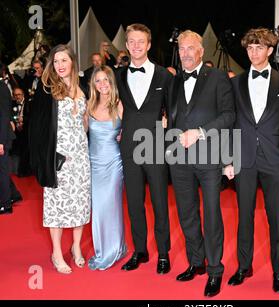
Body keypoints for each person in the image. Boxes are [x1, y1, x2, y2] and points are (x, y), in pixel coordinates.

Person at [224, 27, 279, 293]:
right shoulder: (235, 82)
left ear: (270, 50)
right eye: (250, 48)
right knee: (244, 216)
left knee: (276, 218)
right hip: (244, 159)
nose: (254, 53)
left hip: (274, 160)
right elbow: (230, 124)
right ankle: (244, 266)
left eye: (259, 48)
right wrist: (228, 159)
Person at [167, 30, 235, 297]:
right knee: (187, 214)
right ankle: (196, 262)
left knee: (212, 215)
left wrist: (201, 132)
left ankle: (215, 269)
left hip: (209, 157)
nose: (185, 53)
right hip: (179, 159)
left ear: (201, 51)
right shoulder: (173, 80)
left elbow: (229, 115)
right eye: (182, 48)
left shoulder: (218, 77)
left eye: (190, 48)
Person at [29, 44, 91, 274]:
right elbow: (36, 127)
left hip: (81, 157)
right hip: (58, 159)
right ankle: (56, 252)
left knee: (80, 205)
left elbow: (85, 122)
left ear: (72, 62)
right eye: (56, 62)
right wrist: (45, 157)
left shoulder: (82, 87)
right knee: (56, 207)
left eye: (64, 60)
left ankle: (76, 247)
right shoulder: (47, 90)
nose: (60, 65)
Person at [116, 23, 172, 274]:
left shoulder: (164, 75)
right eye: (132, 41)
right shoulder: (118, 75)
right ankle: (140, 250)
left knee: (160, 202)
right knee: (134, 202)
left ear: (149, 45)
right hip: (128, 144)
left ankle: (163, 253)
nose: (136, 46)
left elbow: (173, 112)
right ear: (126, 45)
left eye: (141, 41)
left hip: (155, 145)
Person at [87, 66, 127, 270]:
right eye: (98, 81)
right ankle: (103, 249)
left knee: (110, 205)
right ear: (93, 84)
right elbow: (80, 135)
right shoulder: (88, 105)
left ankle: (114, 249)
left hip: (113, 163)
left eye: (106, 80)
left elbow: (130, 132)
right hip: (93, 163)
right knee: (98, 208)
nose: (102, 85)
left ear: (112, 83)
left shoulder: (119, 105)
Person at [0, 65, 16, 214]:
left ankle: (5, 204)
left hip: (2, 136)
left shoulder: (2, 88)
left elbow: (4, 116)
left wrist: (1, 142)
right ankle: (13, 196)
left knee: (3, 170)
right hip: (3, 135)